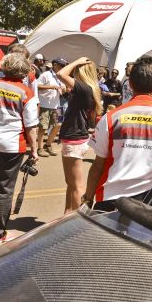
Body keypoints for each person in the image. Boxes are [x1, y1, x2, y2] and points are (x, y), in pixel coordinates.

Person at [83, 57, 152, 211]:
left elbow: (98, 166)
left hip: (110, 200)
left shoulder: (111, 117)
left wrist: (88, 199)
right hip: (149, 202)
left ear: (130, 84)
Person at [0, 53, 39, 243]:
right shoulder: (26, 93)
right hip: (11, 145)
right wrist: (35, 150)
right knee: (4, 189)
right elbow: (31, 125)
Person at [57, 57, 102, 213]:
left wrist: (76, 61)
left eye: (76, 71)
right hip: (74, 138)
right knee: (70, 182)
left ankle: (76, 221)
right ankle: (67, 214)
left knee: (77, 185)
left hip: (74, 139)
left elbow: (61, 74)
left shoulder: (85, 88)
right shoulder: (86, 89)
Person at [36, 57, 67, 157]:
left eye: (64, 66)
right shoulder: (46, 75)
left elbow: (63, 89)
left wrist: (64, 89)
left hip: (57, 105)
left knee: (59, 125)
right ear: (55, 65)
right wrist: (52, 87)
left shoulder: (61, 76)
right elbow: (37, 86)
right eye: (61, 65)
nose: (63, 67)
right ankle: (39, 148)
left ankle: (48, 144)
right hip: (45, 105)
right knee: (43, 128)